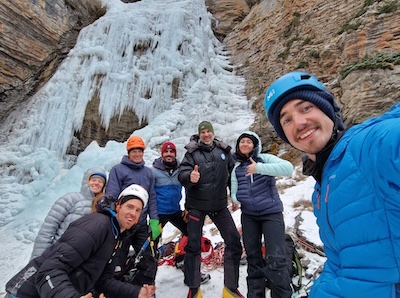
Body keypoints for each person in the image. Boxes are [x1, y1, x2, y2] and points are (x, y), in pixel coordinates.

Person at [264, 71, 400, 297]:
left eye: (306, 107)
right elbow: (339, 264)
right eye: (286, 119)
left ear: (328, 109)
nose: (298, 122)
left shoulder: (366, 146)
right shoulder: (322, 189)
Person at [5, 184, 156, 298]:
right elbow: (49, 270)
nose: (133, 213)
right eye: (129, 207)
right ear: (118, 205)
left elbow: (103, 280)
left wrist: (137, 292)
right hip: (26, 293)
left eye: (138, 210)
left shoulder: (116, 236)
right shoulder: (97, 225)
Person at [178, 121, 244, 298]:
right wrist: (190, 177)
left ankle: (230, 288)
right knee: (193, 247)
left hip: (219, 205)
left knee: (234, 241)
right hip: (196, 207)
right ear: (199, 134)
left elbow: (232, 176)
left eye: (209, 131)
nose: (206, 134)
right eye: (203, 132)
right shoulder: (191, 153)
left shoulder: (223, 151)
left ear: (213, 133)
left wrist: (234, 196)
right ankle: (194, 288)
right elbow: (181, 173)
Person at [230, 131, 294, 298]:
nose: (245, 144)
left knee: (276, 258)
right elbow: (235, 193)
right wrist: (239, 200)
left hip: (271, 214)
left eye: (248, 142)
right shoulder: (236, 168)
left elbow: (288, 168)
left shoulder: (264, 159)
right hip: (249, 216)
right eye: (242, 142)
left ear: (254, 145)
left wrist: (259, 168)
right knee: (253, 258)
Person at [151, 141, 211, 284]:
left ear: (175, 154)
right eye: (166, 152)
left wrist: (188, 208)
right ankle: (147, 282)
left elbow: (188, 188)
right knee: (152, 244)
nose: (169, 154)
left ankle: (188, 268)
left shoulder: (180, 170)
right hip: (159, 214)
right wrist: (153, 217)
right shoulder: (153, 171)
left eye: (171, 152)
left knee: (192, 234)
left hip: (175, 212)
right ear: (162, 154)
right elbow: (150, 195)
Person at [106, 135, 160, 285]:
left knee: (148, 258)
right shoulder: (118, 170)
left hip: (141, 224)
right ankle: (115, 288)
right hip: (123, 225)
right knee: (117, 259)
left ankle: (145, 288)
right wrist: (111, 213)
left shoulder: (148, 173)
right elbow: (112, 193)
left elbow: (152, 197)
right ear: (128, 153)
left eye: (140, 151)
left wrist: (154, 219)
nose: (137, 154)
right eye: (134, 151)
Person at [30, 167, 107, 260]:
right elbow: (48, 229)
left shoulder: (102, 207)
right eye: (93, 180)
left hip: (78, 260)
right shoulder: (70, 199)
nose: (97, 183)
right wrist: (37, 258)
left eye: (100, 181)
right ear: (86, 181)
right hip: (56, 253)